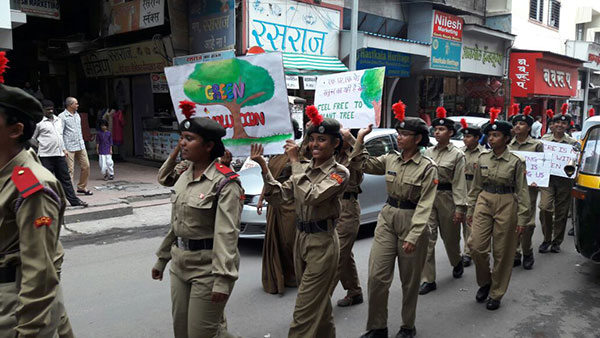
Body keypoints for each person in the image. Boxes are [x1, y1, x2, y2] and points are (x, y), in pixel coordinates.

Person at [251, 106, 349, 338]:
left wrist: (295, 162)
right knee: (319, 306)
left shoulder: (338, 172)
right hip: (301, 239)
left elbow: (310, 196)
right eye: (312, 139)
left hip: (322, 243)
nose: (314, 144)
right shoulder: (304, 170)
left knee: (303, 312)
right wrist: (264, 167)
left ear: (336, 144)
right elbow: (280, 196)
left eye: (322, 140)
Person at [151, 102, 243, 338]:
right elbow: (178, 225)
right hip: (180, 264)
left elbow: (227, 234)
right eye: (182, 137)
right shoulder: (184, 173)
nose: (182, 143)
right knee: (181, 331)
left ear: (209, 145)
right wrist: (162, 259)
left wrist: (223, 279)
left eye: (189, 138)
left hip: (208, 268)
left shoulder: (225, 182)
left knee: (202, 333)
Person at [357, 101, 438, 338]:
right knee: (377, 276)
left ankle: (407, 326)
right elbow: (363, 164)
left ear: (418, 138)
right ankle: (377, 327)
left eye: (405, 134)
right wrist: (359, 139)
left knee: (409, 281)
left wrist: (414, 235)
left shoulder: (427, 167)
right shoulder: (391, 159)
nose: (399, 138)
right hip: (388, 217)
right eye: (399, 133)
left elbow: (425, 204)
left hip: (413, 220)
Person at [0, 81, 70, 337]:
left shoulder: (30, 184)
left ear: (15, 130)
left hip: (11, 307)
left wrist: (30, 330)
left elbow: (40, 271)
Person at [466, 108, 530, 311]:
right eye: (490, 135)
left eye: (496, 135)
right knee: (476, 246)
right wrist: (470, 209)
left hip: (506, 202)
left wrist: (522, 219)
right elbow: (475, 187)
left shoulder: (516, 162)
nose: (491, 139)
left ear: (506, 138)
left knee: (503, 251)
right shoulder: (482, 158)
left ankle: (496, 292)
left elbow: (522, 191)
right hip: (484, 200)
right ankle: (485, 282)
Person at [419, 107, 468, 295]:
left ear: (451, 133)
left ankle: (456, 261)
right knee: (427, 239)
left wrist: (460, 208)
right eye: (435, 129)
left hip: (448, 198)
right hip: (429, 197)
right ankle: (428, 279)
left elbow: (459, 183)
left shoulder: (457, 155)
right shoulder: (427, 153)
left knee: (450, 239)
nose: (437, 132)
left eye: (441, 130)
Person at [259, 120, 302, 295]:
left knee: (288, 241)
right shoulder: (275, 154)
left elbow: (300, 179)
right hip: (274, 202)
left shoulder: (298, 153)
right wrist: (262, 198)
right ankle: (278, 276)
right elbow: (269, 178)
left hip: (290, 203)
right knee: (274, 239)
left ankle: (294, 275)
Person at [32, 99, 88, 207]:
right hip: (45, 156)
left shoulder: (58, 120)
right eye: (47, 110)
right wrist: (39, 146)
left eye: (52, 109)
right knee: (46, 180)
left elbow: (60, 136)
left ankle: (74, 201)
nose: (50, 111)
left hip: (59, 154)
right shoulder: (39, 123)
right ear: (42, 110)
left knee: (65, 179)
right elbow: (32, 138)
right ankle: (46, 204)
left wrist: (63, 149)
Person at [508, 105, 544, 269]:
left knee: (527, 223)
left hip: (529, 188)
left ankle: (527, 252)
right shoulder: (508, 145)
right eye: (515, 124)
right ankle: (515, 253)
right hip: (511, 189)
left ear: (529, 127)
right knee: (512, 221)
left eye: (521, 124)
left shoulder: (536, 145)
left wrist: (539, 180)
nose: (517, 126)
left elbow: (541, 166)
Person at [538, 105, 577, 254]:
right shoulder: (543, 141)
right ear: (552, 125)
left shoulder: (573, 144)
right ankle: (546, 238)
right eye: (557, 123)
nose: (560, 125)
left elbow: (576, 162)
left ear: (567, 126)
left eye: (564, 123)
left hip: (564, 181)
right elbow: (537, 160)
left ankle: (556, 242)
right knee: (545, 207)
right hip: (547, 179)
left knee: (561, 211)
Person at [333, 128, 365, 307]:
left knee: (335, 257)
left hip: (347, 209)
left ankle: (317, 303)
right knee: (343, 254)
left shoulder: (354, 157)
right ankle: (354, 291)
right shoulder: (332, 154)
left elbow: (360, 160)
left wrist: (353, 139)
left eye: (339, 135)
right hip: (332, 207)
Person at [458, 118, 485, 267]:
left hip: (475, 189)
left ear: (477, 138)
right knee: (461, 220)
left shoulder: (483, 154)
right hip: (460, 188)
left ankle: (468, 253)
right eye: (464, 136)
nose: (465, 139)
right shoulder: (459, 153)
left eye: (468, 137)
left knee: (470, 222)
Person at [59, 96, 92, 195]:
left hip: (80, 145)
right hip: (69, 147)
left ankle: (82, 187)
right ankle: (69, 191)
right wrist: (63, 148)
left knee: (86, 166)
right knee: (69, 170)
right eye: (76, 103)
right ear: (70, 105)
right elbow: (60, 133)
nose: (78, 105)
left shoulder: (77, 115)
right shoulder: (62, 117)